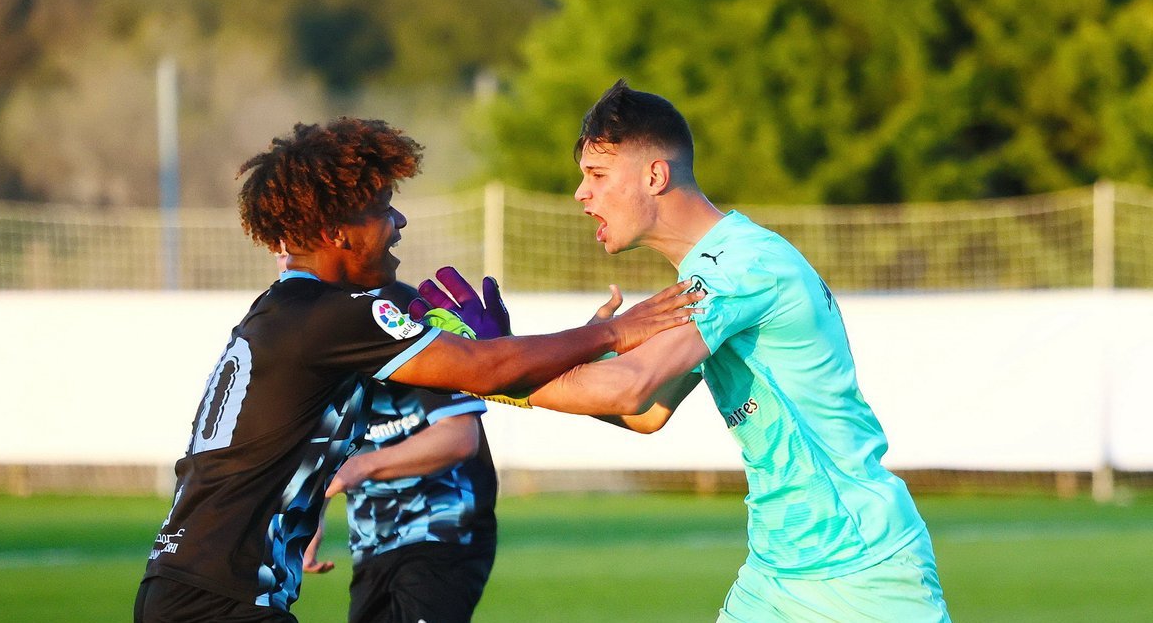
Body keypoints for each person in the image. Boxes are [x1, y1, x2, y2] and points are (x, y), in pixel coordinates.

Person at [134, 117, 699, 623]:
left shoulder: (291, 312)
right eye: (381, 208)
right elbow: (485, 370)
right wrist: (614, 332)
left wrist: (530, 349)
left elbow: (486, 373)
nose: (398, 221)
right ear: (336, 233)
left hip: (192, 589)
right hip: (216, 602)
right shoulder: (333, 318)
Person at [482, 81, 950, 622]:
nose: (580, 194)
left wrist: (492, 368)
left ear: (655, 176)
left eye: (597, 175)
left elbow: (629, 388)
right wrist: (519, 368)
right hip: (778, 573)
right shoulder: (713, 269)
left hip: (859, 572)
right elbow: (648, 409)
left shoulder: (739, 268)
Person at [304, 281, 498, 623]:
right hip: (371, 542)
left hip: (441, 529)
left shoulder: (404, 310)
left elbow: (458, 436)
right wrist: (311, 515)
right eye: (278, 248)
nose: (284, 257)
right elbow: (326, 434)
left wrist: (359, 468)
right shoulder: (305, 324)